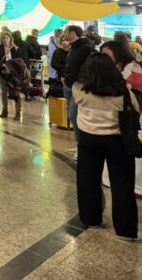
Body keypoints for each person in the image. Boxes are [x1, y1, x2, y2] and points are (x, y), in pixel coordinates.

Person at [73, 54, 138, 241]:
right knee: (123, 185)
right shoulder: (124, 94)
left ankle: (90, 218)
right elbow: (134, 111)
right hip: (117, 142)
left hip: (88, 140)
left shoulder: (79, 91)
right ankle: (125, 230)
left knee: (87, 180)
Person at [99, 40, 142, 197]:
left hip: (129, 118)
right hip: (115, 119)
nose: (104, 58)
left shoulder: (132, 67)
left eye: (107, 54)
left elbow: (134, 89)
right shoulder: (109, 68)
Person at [63, 25, 96, 143]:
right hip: (68, 85)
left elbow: (93, 65)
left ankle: (82, 146)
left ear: (72, 33)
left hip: (79, 87)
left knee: (73, 115)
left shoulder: (85, 48)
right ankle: (80, 144)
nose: (63, 33)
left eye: (65, 31)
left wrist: (83, 80)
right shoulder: (73, 47)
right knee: (73, 116)